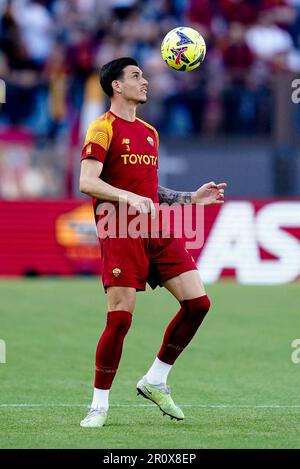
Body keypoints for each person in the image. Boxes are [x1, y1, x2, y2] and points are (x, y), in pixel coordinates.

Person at [79, 57, 226, 427]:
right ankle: (99, 405)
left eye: (143, 75)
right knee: (120, 319)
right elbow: (87, 182)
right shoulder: (102, 128)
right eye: (135, 76)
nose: (144, 81)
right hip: (120, 229)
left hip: (156, 228)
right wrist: (127, 198)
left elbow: (149, 189)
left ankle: (156, 379)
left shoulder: (149, 132)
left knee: (199, 304)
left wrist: (190, 199)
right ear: (116, 85)